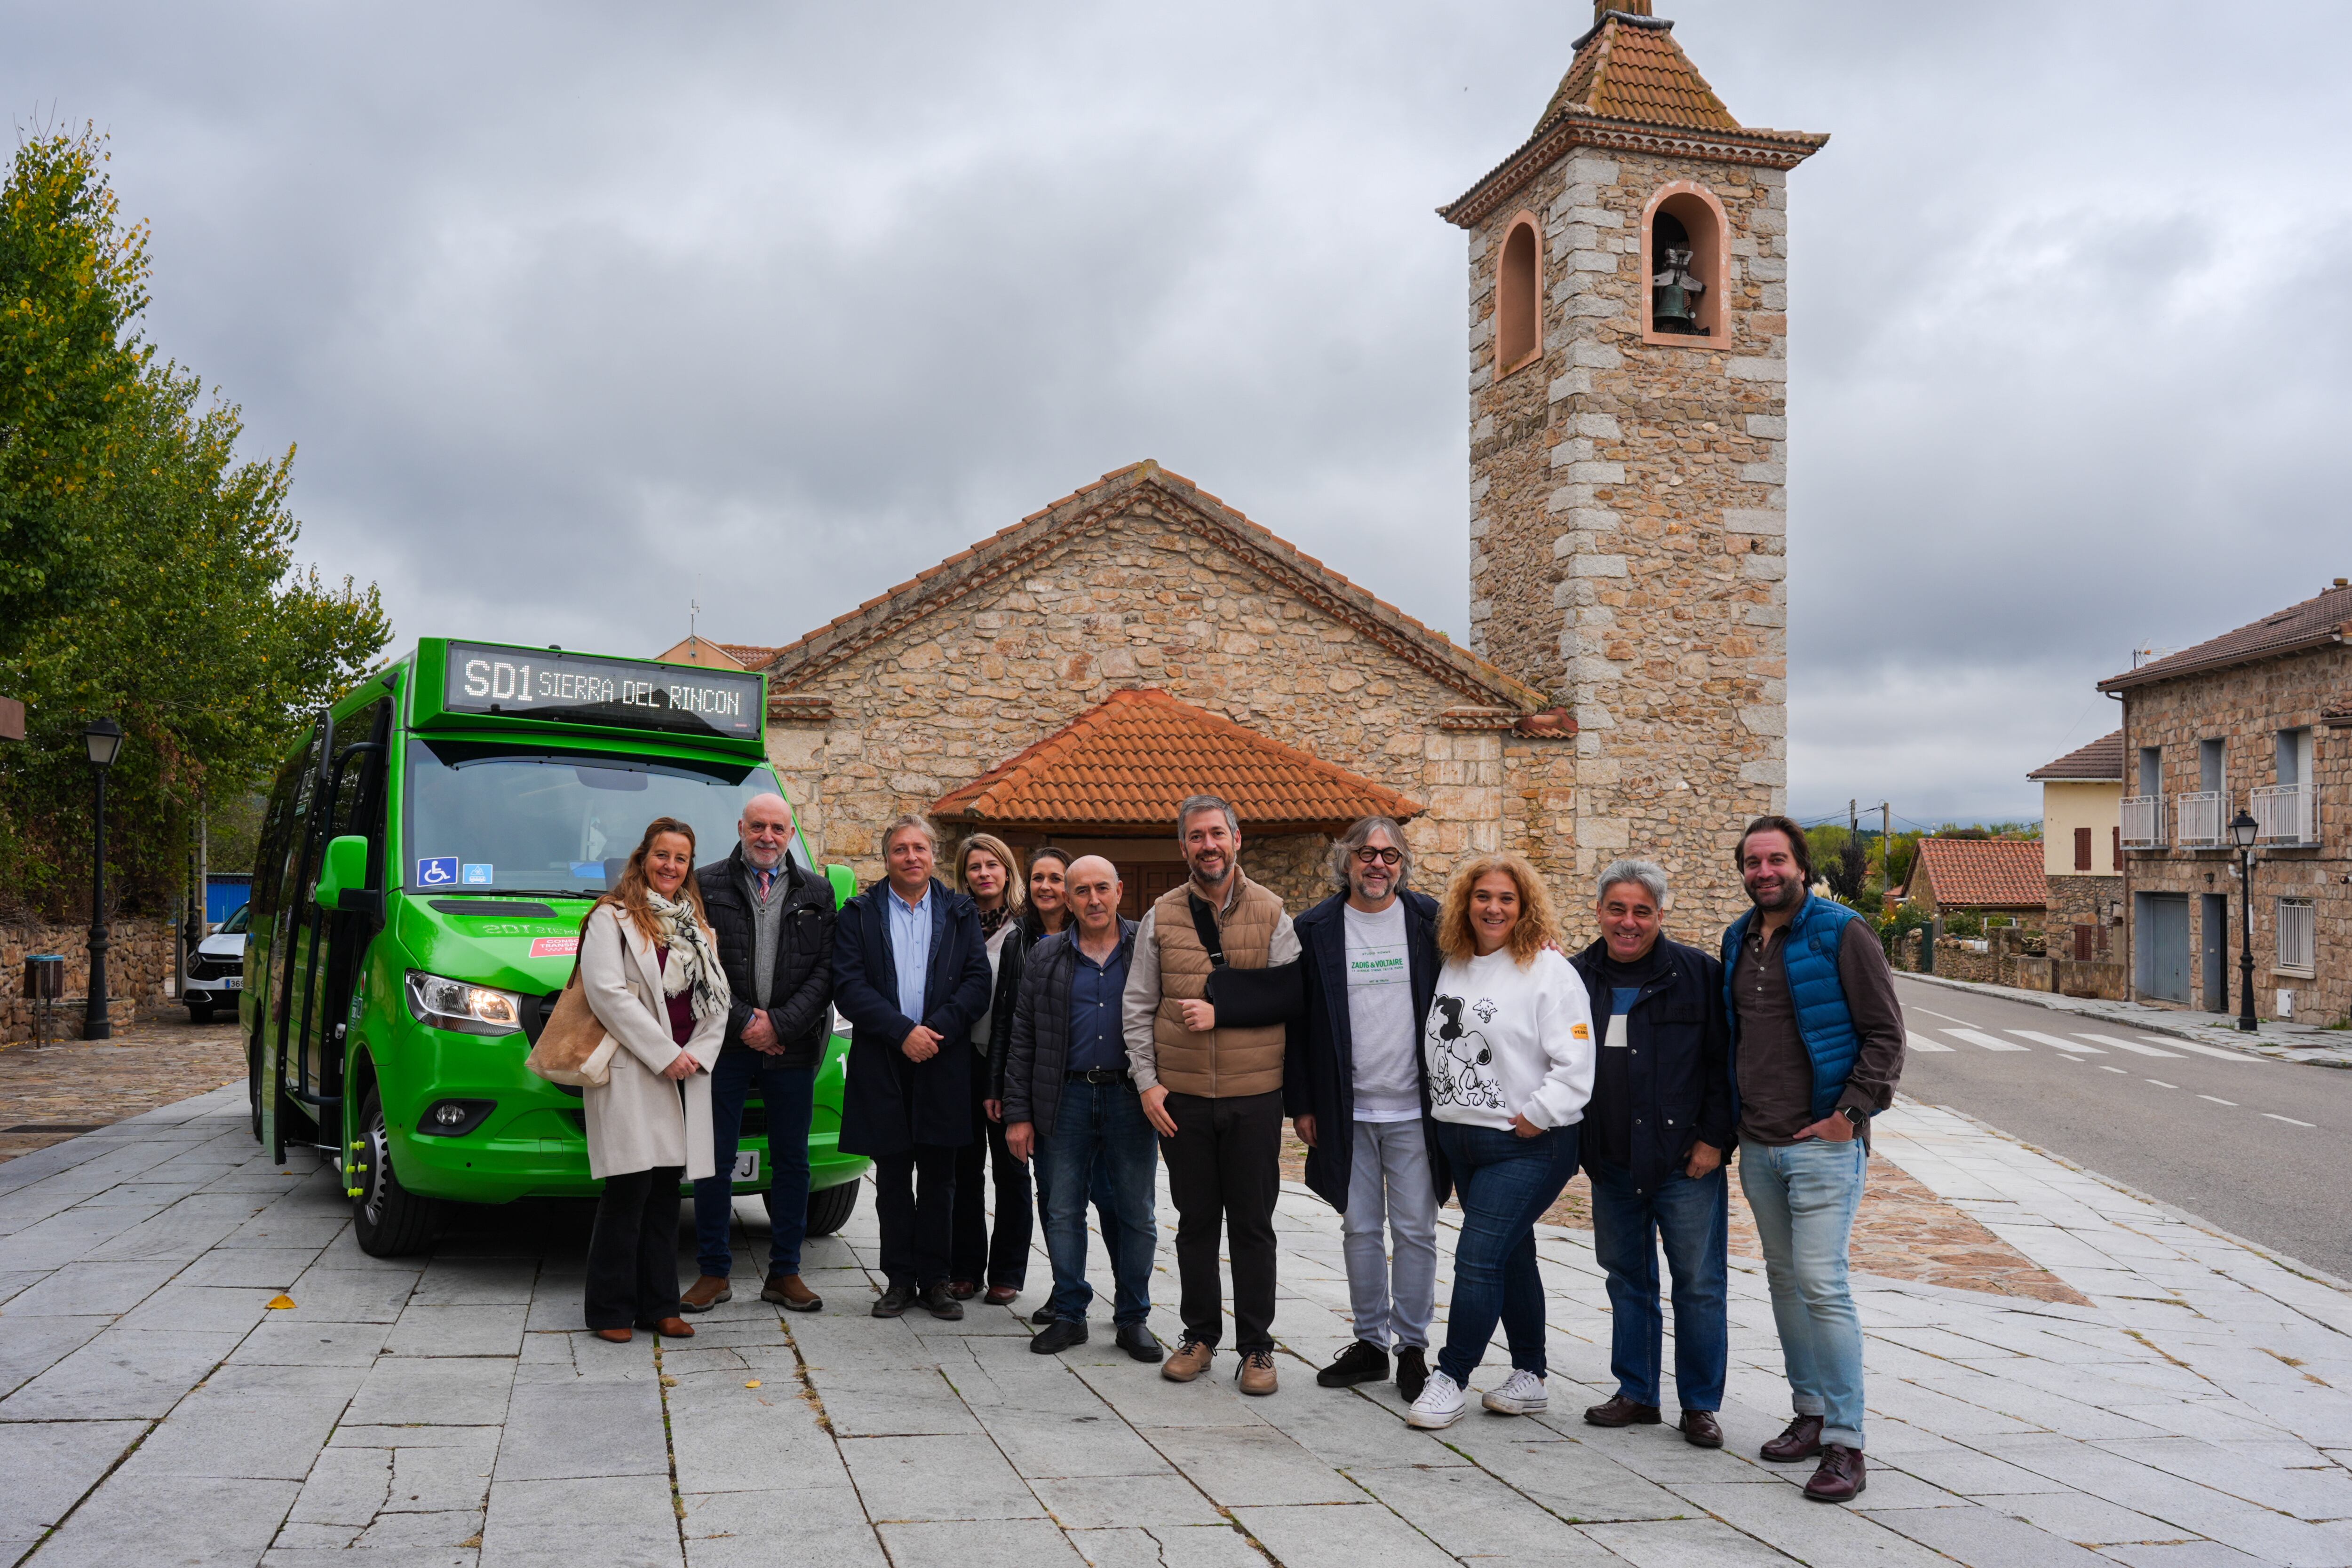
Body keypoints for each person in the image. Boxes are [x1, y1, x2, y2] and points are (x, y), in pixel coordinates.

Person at [1722, 816, 1905, 1503]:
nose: (1763, 872)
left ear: (1801, 864)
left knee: (1822, 1283)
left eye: (1775, 860)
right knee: (1782, 1279)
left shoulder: (1843, 930)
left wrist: (1850, 1115)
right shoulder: (1738, 936)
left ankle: (1846, 1443)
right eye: (1752, 862)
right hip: (1759, 1144)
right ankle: (1810, 1410)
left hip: (1824, 1146)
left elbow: (1885, 1033)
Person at [1406, 852, 1593, 1431]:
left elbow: (1575, 1059)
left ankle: (1449, 1377)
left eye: (1506, 899)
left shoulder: (1547, 969)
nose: (1493, 907)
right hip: (1461, 1140)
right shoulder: (1456, 963)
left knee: (1478, 1257)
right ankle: (1530, 1376)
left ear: (1524, 907)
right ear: (1465, 903)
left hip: (1526, 1144)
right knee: (1512, 1253)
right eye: (1482, 896)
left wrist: (1539, 1114)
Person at [1123, 794, 1300, 1395]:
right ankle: (1198, 1336)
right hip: (1185, 1100)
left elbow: (1289, 998)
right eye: (1196, 837)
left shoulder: (1274, 913)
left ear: (1236, 838)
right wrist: (1147, 1084)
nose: (1208, 846)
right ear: (1183, 848)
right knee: (1196, 1223)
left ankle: (1257, 1348)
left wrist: (1221, 1011)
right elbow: (1137, 1006)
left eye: (1216, 834)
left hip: (1254, 1097)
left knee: (1252, 1225)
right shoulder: (1160, 916)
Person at [1568, 859, 1732, 1447]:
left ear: (1660, 915)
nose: (1628, 922)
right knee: (1626, 1278)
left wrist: (1714, 1139)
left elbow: (1723, 1064)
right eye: (1617, 909)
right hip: (1611, 1161)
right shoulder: (1574, 978)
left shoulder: (1698, 975)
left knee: (1698, 1283)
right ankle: (1636, 1392)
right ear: (1598, 912)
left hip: (1685, 1162)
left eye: (1641, 911)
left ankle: (1699, 1404)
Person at [1288, 817, 1442, 1402]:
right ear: (1345, 860)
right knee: (1358, 1228)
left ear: (1402, 864)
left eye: (1390, 855)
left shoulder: (1429, 921)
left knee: (1415, 1231)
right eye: (1365, 854)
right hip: (1344, 1109)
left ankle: (1411, 1348)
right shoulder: (1317, 928)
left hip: (1413, 1109)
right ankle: (1370, 1344)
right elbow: (1299, 1025)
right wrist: (1301, 1103)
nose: (1378, 865)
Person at [681, 794, 837, 1315]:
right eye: (758, 827)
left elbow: (825, 970)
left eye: (777, 828)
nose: (767, 836)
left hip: (792, 1047)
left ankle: (785, 1273)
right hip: (725, 1044)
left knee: (792, 1161)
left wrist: (781, 1024)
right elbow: (698, 965)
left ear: (791, 833)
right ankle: (713, 1272)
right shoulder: (704, 884)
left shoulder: (818, 890)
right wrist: (746, 1020)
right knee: (714, 1160)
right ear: (741, 828)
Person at [1002, 856, 1162, 1362]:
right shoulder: (1045, 956)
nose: (1093, 899)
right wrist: (1018, 1113)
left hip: (1129, 1097)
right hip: (1064, 1097)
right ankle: (1069, 1312)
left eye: (1101, 889)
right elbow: (1021, 1038)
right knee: (1062, 1208)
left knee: (1135, 1212)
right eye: (1081, 891)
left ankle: (1133, 1317)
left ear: (1118, 891)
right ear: (1067, 900)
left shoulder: (1148, 948)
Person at [833, 815, 993, 1320]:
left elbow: (975, 983)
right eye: (900, 849)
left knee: (941, 1180)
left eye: (919, 848)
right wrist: (903, 1032)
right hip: (884, 1060)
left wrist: (933, 1032)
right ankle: (899, 1280)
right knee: (895, 1180)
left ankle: (936, 1280)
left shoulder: (960, 911)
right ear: (887, 858)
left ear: (932, 855)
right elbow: (849, 985)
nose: (911, 857)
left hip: (943, 1060)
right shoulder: (858, 912)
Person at [578, 816, 729, 1343]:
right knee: (628, 1190)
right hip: (632, 1070)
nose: (670, 866)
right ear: (643, 858)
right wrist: (666, 1053)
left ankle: (659, 1305)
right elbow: (607, 994)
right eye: (662, 855)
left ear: (689, 867)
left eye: (681, 858)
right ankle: (610, 1310)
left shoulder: (697, 926)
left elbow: (717, 1002)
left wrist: (698, 1053)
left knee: (667, 1193)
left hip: (686, 1073)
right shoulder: (611, 918)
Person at [949, 832, 1032, 1305]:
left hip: (1007, 1062)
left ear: (1006, 870)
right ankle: (963, 1268)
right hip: (960, 1061)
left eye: (991, 865)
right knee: (963, 1170)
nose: (983, 873)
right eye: (974, 866)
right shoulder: (954, 923)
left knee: (1011, 1170)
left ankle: (1007, 1272)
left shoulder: (1024, 928)